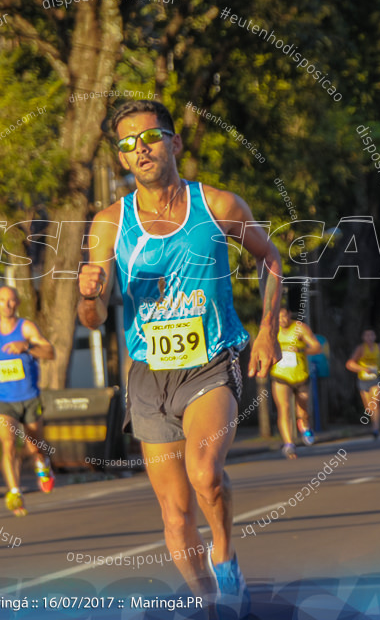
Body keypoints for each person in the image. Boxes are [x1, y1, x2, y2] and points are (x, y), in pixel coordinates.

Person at [78, 99, 280, 616]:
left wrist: (266, 333)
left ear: (175, 142)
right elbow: (94, 318)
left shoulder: (217, 205)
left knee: (205, 472)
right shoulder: (109, 223)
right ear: (121, 159)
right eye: (127, 144)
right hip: (148, 375)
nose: (140, 149)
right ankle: (210, 604)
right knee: (173, 514)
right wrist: (89, 294)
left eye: (149, 137)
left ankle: (226, 557)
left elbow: (270, 259)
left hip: (210, 360)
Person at [0, 286, 56, 516]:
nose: (7, 304)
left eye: (12, 301)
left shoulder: (27, 328)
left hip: (29, 397)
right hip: (2, 399)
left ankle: (43, 465)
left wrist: (27, 347)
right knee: (8, 445)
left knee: (34, 447)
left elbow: (50, 353)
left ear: (17, 303)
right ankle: (14, 492)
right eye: (2, 300)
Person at [270, 307, 321, 458]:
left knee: (302, 410)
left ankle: (304, 425)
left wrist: (301, 350)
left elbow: (317, 347)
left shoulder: (300, 328)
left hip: (300, 375)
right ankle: (289, 444)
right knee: (284, 408)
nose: (282, 320)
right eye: (278, 318)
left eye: (284, 317)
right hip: (281, 375)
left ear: (289, 315)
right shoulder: (272, 330)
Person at [346, 327, 380, 439]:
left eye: (371, 335)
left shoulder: (379, 347)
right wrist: (363, 369)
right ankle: (373, 422)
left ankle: (375, 429)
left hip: (375, 379)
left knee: (375, 403)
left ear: (375, 337)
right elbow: (349, 364)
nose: (369, 338)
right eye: (367, 335)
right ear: (363, 338)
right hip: (363, 380)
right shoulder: (360, 349)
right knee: (368, 407)